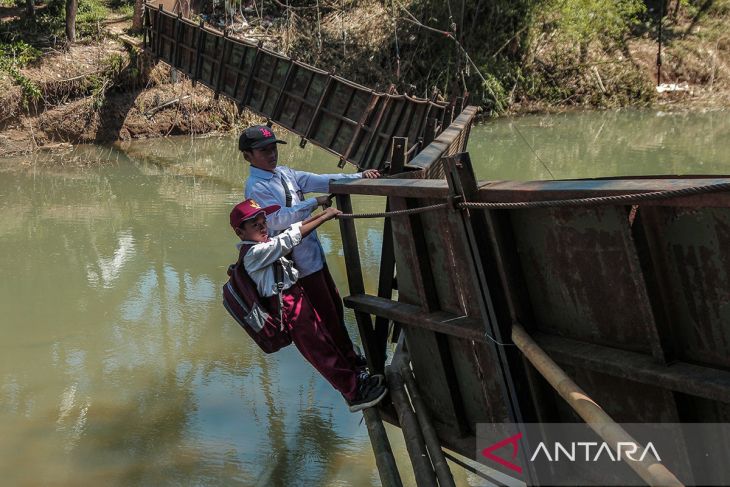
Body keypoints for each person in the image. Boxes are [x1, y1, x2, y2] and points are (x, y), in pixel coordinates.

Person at [240, 124, 380, 372]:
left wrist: (359, 176)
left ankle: (351, 358)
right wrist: (314, 203)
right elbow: (277, 219)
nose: (272, 154)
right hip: (298, 268)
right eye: (264, 151)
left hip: (314, 257)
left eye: (273, 148)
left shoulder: (284, 173)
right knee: (324, 319)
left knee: (334, 309)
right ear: (248, 156)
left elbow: (322, 180)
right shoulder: (256, 187)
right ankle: (350, 370)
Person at [230, 198, 387, 412]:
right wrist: (324, 216)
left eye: (263, 221)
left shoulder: (262, 245)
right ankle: (354, 393)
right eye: (254, 224)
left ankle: (356, 379)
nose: (262, 227)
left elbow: (291, 230)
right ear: (240, 233)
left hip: (295, 297)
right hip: (286, 306)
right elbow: (288, 240)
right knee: (319, 351)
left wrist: (319, 214)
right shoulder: (254, 254)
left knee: (325, 339)